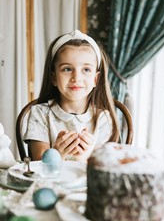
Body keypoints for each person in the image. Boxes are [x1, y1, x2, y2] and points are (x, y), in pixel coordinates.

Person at [24, 30, 120, 162]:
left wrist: (85, 157)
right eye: (67, 69)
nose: (76, 78)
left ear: (95, 80)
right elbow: (39, 166)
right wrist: (58, 153)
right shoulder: (40, 114)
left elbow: (104, 169)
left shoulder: (103, 119)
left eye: (86, 70)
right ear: (53, 77)